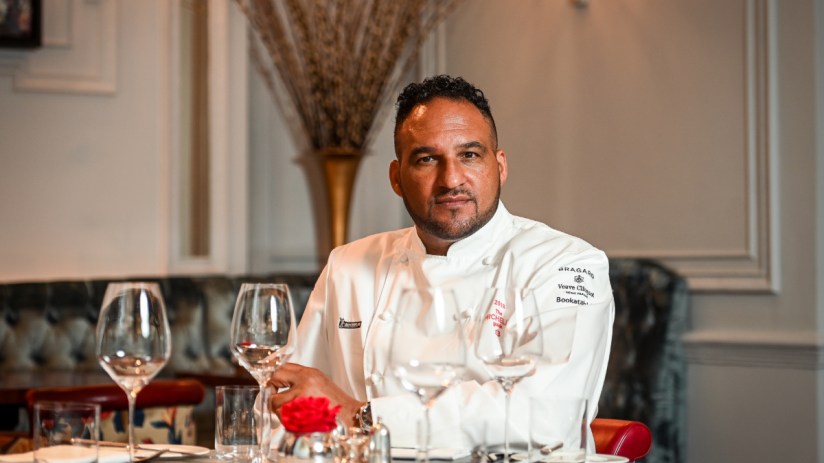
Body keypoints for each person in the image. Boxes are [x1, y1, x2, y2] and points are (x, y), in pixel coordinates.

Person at [269, 75, 615, 451]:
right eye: (427, 159)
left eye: (469, 155)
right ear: (396, 178)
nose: (451, 179)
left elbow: (545, 417)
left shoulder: (566, 265)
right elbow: (287, 405)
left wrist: (360, 415)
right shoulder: (349, 265)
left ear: (499, 166)